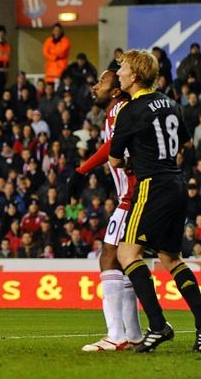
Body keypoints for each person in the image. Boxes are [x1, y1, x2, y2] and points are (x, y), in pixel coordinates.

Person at [109, 49, 201, 353]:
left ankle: (158, 326)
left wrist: (137, 158)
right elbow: (185, 144)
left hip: (152, 186)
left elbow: (116, 160)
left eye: (123, 69)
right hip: (176, 183)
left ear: (136, 75)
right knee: (171, 259)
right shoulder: (170, 103)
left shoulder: (128, 110)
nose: (119, 73)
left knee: (127, 253)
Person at [68, 65, 142, 352]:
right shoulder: (119, 111)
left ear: (115, 90)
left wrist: (81, 171)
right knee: (126, 262)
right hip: (135, 194)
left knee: (109, 257)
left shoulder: (119, 109)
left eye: (103, 81)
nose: (95, 86)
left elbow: (115, 144)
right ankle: (134, 335)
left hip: (131, 196)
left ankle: (117, 335)